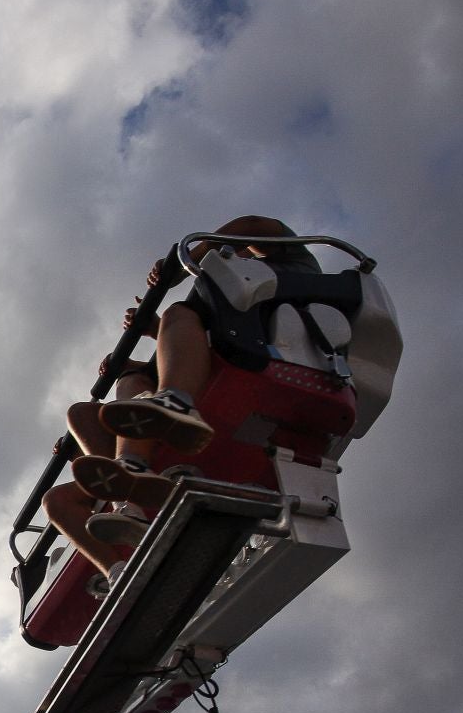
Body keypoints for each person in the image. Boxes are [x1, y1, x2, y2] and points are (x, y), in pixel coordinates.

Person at [40, 214, 317, 576]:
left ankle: (172, 410)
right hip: (194, 386)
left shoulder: (292, 269)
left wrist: (188, 261)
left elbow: (251, 225)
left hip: (253, 365)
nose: (228, 263)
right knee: (80, 422)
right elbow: (187, 351)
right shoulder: (210, 313)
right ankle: (124, 525)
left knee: (177, 313)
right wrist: (138, 356)